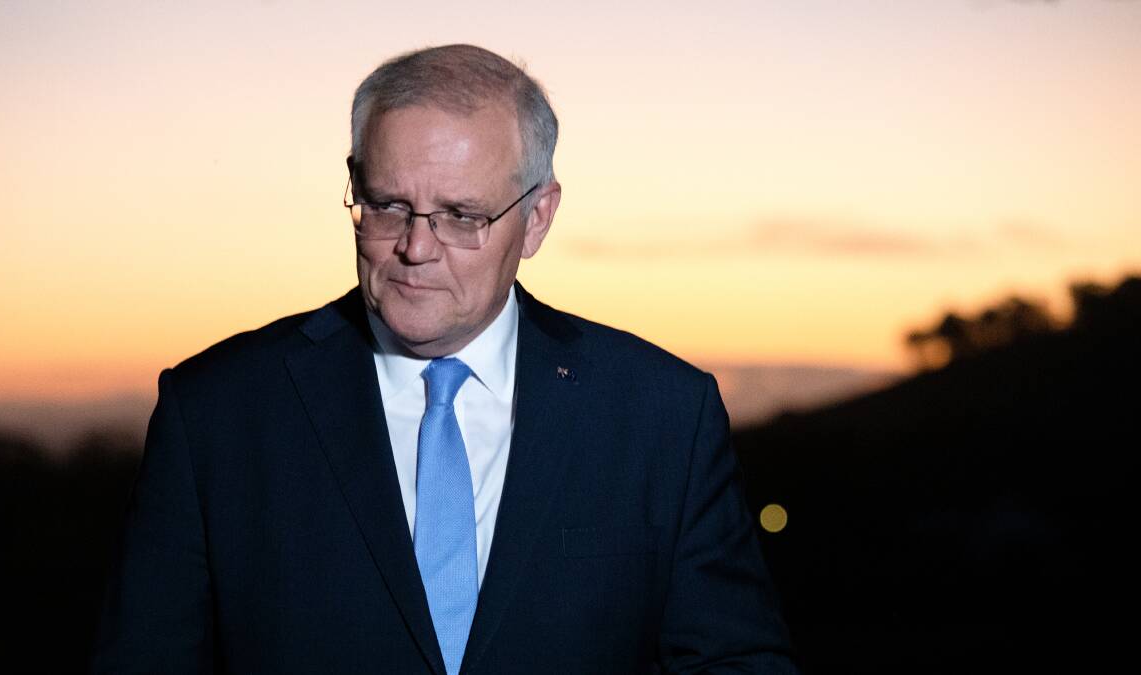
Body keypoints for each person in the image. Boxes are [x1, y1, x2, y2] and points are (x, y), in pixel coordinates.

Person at [93, 44, 797, 674]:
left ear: (539, 217)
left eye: (462, 215)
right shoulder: (216, 411)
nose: (417, 247)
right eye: (389, 205)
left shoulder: (661, 413)